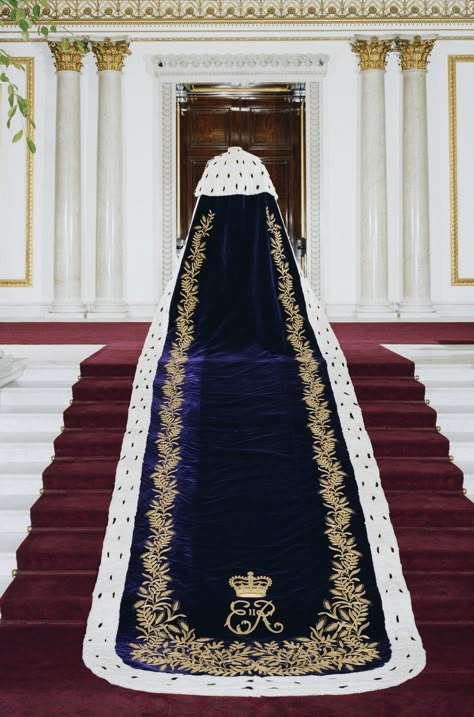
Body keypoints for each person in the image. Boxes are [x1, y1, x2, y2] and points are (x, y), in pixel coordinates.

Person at [84, 147, 425, 696]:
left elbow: (193, 294)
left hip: (203, 352)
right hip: (277, 352)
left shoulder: (207, 233)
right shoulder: (268, 233)